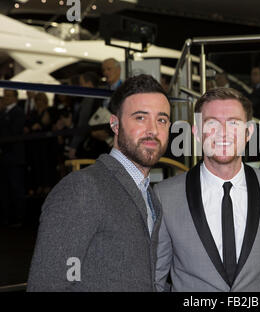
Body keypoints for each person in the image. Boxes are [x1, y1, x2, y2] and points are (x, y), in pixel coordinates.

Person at [27, 74, 170, 291]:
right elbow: (48, 284)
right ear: (115, 124)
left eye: (162, 120)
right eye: (140, 118)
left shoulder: (149, 195)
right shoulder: (83, 189)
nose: (153, 129)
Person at [154, 87, 260, 292]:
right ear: (197, 133)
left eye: (233, 123)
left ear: (248, 132)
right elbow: (155, 279)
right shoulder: (165, 196)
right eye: (212, 123)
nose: (223, 132)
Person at [0, 89, 26, 227]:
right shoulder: (3, 113)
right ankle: (7, 217)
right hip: (5, 157)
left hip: (14, 157)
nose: (6, 98)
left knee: (16, 188)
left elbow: (13, 132)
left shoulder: (18, 113)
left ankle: (19, 218)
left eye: (8, 95)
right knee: (4, 189)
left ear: (15, 98)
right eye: (5, 95)